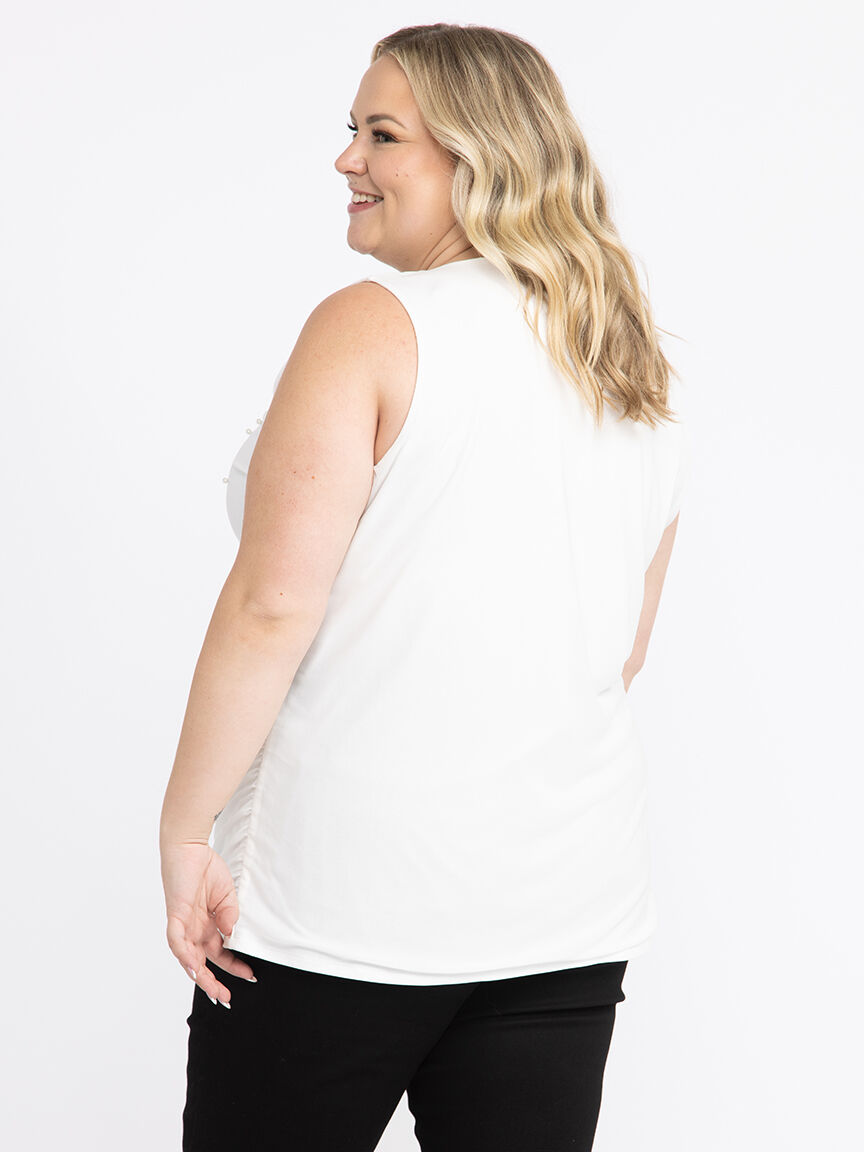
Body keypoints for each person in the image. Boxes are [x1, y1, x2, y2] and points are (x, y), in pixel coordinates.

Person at [159, 22, 690, 1152]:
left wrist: (183, 828)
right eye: (352, 130)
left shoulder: (371, 326)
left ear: (478, 154)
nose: (346, 158)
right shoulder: (626, 357)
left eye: (382, 135)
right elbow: (622, 647)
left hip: (339, 909)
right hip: (564, 912)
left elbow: (271, 607)